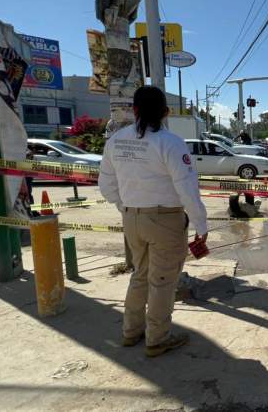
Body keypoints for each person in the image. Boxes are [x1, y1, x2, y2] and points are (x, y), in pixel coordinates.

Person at [99, 86, 208, 357]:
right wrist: (200, 225)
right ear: (165, 112)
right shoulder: (170, 143)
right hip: (165, 221)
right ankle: (157, 338)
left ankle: (130, 332)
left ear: (134, 110)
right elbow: (187, 188)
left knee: (140, 275)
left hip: (132, 218)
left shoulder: (116, 141)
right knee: (162, 282)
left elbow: (106, 185)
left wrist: (124, 207)